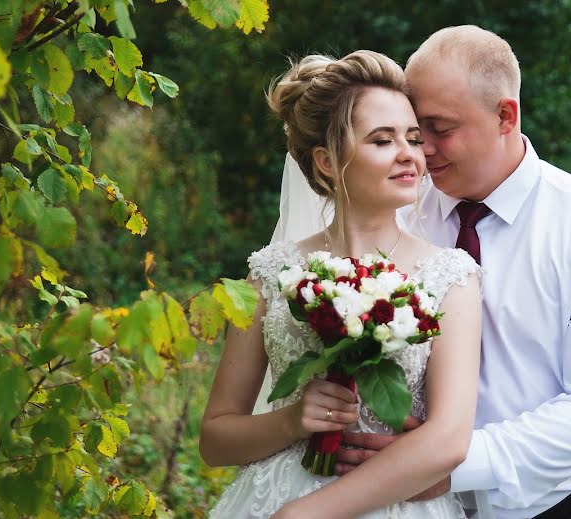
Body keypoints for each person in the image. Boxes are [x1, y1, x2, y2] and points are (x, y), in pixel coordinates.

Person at [337, 26, 571, 519]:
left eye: (440, 130)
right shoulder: (396, 211)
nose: (423, 151)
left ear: (505, 115)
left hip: (559, 504)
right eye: (416, 132)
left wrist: (453, 464)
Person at [200, 50, 486, 518]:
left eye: (413, 139)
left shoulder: (451, 277)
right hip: (270, 493)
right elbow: (215, 440)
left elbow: (450, 437)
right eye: (382, 140)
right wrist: (293, 420)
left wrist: (305, 514)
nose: (409, 154)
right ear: (327, 162)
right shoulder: (272, 274)